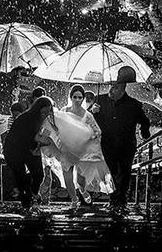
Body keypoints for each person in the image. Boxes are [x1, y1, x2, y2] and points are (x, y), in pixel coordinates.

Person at [45, 85, 114, 213]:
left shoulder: (88, 115)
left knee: (80, 179)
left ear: (83, 99)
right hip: (66, 148)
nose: (77, 99)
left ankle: (82, 190)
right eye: (75, 97)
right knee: (67, 175)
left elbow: (97, 131)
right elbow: (56, 125)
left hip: (82, 151)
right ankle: (74, 200)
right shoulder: (64, 111)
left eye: (80, 97)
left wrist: (91, 136)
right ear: (71, 97)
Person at [91, 66, 150, 214]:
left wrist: (144, 132)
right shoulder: (100, 101)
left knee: (124, 173)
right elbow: (87, 120)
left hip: (126, 145)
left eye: (115, 88)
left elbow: (144, 121)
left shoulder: (134, 105)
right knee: (110, 172)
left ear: (123, 89)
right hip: (107, 144)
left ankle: (121, 201)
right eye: (111, 86)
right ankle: (113, 200)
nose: (111, 90)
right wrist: (93, 112)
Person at [3, 97, 56, 212]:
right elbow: (29, 136)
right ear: (38, 110)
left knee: (39, 174)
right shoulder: (27, 118)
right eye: (43, 112)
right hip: (14, 150)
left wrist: (42, 143)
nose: (46, 115)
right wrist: (43, 141)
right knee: (21, 178)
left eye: (48, 112)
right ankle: (27, 203)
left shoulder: (44, 120)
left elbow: (42, 136)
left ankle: (33, 194)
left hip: (30, 148)